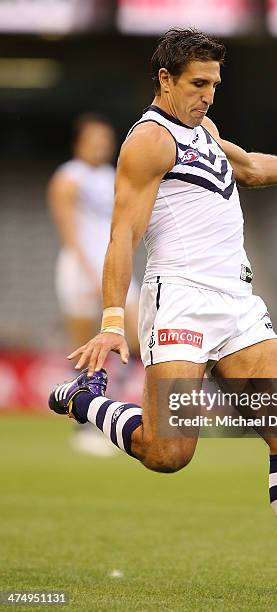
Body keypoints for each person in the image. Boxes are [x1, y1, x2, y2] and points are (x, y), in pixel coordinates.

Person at [49, 29, 277, 598]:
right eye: (198, 83)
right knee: (169, 455)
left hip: (237, 304)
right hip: (182, 302)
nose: (209, 94)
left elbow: (247, 169)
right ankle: (86, 400)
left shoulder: (206, 130)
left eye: (215, 83)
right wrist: (114, 319)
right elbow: (124, 234)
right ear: (165, 80)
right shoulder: (149, 141)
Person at [48, 113, 140, 456]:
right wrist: (88, 272)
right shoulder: (68, 177)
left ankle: (107, 406)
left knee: (137, 336)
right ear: (79, 141)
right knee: (87, 349)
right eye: (95, 138)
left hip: (114, 269)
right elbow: (69, 230)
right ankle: (84, 426)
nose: (102, 144)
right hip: (81, 268)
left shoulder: (111, 176)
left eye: (105, 138)